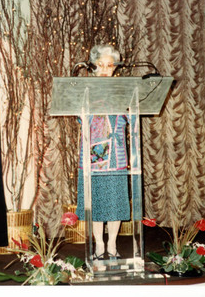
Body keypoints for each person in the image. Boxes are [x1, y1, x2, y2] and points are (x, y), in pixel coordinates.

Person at [75, 44, 130, 260]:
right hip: (94, 154)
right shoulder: (86, 88)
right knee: (97, 203)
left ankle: (112, 245)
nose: (106, 69)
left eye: (110, 65)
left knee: (115, 203)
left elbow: (130, 115)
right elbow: (79, 117)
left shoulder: (124, 87)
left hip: (116, 154)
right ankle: (99, 246)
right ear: (94, 65)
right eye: (101, 65)